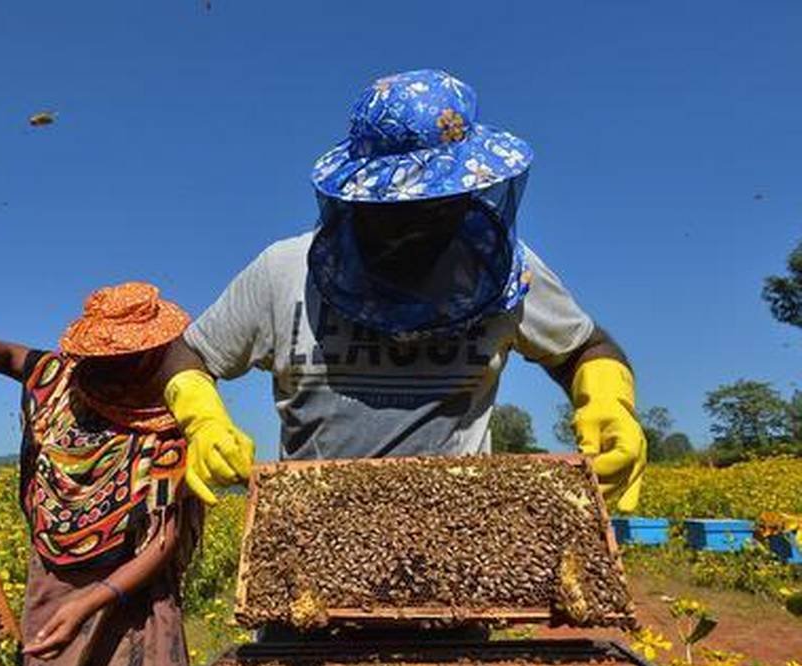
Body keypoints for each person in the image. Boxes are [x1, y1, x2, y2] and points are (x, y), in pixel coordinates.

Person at [180, 69, 646, 512]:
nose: (416, 228)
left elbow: (584, 346)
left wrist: (607, 400)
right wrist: (202, 418)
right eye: (396, 214)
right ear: (356, 201)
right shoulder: (282, 273)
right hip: (310, 541)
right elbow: (190, 353)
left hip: (461, 548)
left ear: (467, 196)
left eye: (436, 208)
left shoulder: (510, 274)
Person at [0, 282, 253, 666]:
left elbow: (164, 542)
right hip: (52, 584)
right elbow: (0, 353)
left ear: (153, 355)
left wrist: (92, 600)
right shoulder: (57, 377)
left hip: (132, 596)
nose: (112, 369)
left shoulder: (168, 422)